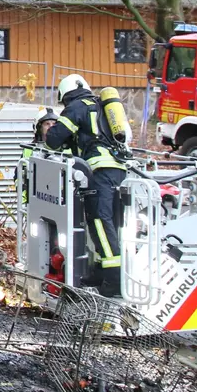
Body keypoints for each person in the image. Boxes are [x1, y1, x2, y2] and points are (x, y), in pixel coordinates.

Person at [45, 73, 128, 297]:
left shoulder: (76, 106)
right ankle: (101, 270)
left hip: (100, 170)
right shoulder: (101, 107)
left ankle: (114, 278)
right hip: (119, 170)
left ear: (65, 95)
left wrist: (51, 131)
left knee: (99, 220)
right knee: (110, 222)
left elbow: (54, 138)